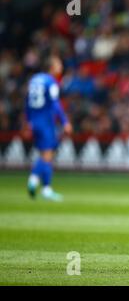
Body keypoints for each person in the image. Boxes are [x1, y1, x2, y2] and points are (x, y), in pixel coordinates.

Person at [25, 55, 72, 201]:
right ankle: (35, 181)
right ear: (51, 67)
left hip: (34, 121)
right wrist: (65, 121)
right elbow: (55, 104)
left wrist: (28, 121)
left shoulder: (34, 80)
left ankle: (46, 188)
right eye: (58, 64)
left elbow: (27, 102)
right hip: (46, 121)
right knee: (47, 155)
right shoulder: (51, 82)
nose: (61, 66)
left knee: (46, 155)